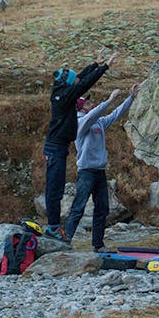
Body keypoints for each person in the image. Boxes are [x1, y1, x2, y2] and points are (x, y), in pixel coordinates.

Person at [42, 51, 117, 240]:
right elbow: (83, 84)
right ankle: (53, 227)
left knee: (56, 188)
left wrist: (93, 65)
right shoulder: (65, 97)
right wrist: (104, 67)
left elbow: (79, 81)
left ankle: (55, 227)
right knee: (54, 190)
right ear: (68, 84)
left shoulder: (61, 92)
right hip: (55, 148)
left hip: (58, 147)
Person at [64, 83, 140, 252]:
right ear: (81, 108)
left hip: (99, 172)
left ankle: (98, 245)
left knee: (102, 208)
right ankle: (66, 240)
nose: (91, 104)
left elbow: (115, 115)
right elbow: (94, 114)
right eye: (88, 103)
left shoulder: (98, 122)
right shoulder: (79, 122)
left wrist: (130, 98)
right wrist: (110, 99)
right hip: (86, 172)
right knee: (79, 206)